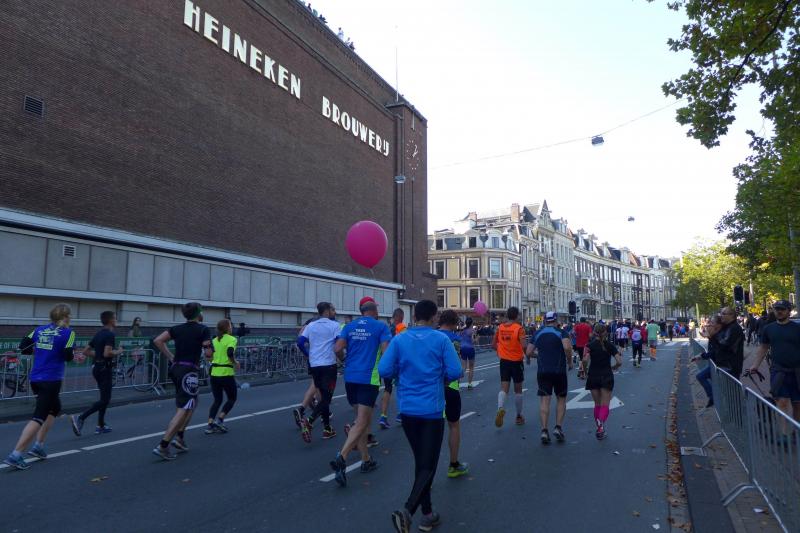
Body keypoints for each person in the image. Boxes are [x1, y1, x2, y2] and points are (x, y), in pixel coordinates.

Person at [379, 300, 461, 533]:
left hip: (407, 409)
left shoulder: (400, 339)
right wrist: (442, 377)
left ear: (415, 316)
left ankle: (427, 515)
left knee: (422, 462)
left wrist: (401, 374)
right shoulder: (441, 340)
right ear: (434, 317)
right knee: (429, 464)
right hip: (431, 409)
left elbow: (384, 370)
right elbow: (456, 371)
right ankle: (407, 511)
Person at [4, 304, 82, 470]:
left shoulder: (39, 330)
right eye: (69, 315)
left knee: (54, 408)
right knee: (39, 416)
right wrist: (73, 355)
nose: (70, 318)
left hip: (36, 377)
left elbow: (23, 346)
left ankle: (38, 446)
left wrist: (42, 351)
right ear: (65, 317)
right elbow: (68, 356)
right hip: (51, 379)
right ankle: (15, 455)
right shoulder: (69, 333)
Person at [329, 296, 391, 487]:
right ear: (374, 311)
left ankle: (366, 460)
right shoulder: (381, 327)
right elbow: (386, 352)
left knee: (361, 421)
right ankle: (342, 456)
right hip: (368, 378)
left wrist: (343, 359)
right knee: (363, 421)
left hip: (350, 377)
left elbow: (337, 348)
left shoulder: (349, 326)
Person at [151, 302, 212, 460]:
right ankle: (163, 445)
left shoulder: (176, 328)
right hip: (189, 371)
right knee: (184, 407)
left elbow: (158, 340)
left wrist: (171, 357)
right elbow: (208, 354)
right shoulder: (203, 329)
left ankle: (180, 437)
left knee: (192, 402)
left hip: (176, 368)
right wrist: (210, 350)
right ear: (199, 313)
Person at [71, 311, 123, 436]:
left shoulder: (98, 334)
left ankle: (101, 425)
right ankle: (81, 417)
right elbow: (107, 353)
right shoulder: (110, 335)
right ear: (111, 320)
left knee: (103, 398)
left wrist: (98, 355)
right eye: (115, 318)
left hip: (97, 368)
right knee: (105, 399)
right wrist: (119, 351)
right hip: (105, 369)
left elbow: (86, 351)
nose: (116, 320)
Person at [749, 300, 800, 422]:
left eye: (782, 309)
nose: (779, 311)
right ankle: (784, 433)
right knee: (781, 403)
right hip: (778, 371)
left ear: (789, 311)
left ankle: (796, 431)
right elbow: (763, 347)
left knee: (798, 405)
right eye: (777, 309)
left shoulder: (797, 328)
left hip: (798, 372)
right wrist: (755, 365)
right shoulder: (768, 329)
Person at [529, 311, 573, 444]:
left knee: (544, 400)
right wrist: (570, 361)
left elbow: (528, 352)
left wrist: (539, 355)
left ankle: (544, 430)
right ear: (556, 320)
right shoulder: (562, 332)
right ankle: (558, 427)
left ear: (545, 320)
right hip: (559, 370)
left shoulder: (538, 333)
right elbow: (567, 347)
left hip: (543, 371)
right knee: (561, 399)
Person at [299, 302, 340, 442]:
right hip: (329, 365)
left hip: (315, 365)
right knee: (327, 398)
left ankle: (327, 429)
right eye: (332, 310)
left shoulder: (311, 325)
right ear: (327, 311)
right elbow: (338, 344)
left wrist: (308, 354)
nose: (334, 312)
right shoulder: (334, 325)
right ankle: (309, 421)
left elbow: (300, 342)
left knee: (323, 397)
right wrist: (342, 357)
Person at [438, 310, 469, 478]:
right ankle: (453, 464)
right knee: (454, 425)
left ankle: (426, 470)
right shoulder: (455, 339)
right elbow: (457, 366)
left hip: (432, 387)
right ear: (455, 323)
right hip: (450, 385)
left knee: (432, 428)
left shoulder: (432, 336)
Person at [583, 323, 622, 440]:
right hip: (606, 375)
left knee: (597, 404)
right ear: (605, 332)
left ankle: (599, 427)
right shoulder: (610, 345)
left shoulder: (589, 346)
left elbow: (585, 360)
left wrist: (585, 371)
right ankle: (601, 427)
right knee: (605, 404)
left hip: (593, 375)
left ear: (594, 332)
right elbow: (619, 361)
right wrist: (614, 367)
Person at [493, 306, 528, 427]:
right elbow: (524, 346)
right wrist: (528, 355)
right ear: (517, 316)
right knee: (518, 390)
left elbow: (493, 344)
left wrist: (501, 351)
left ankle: (500, 408)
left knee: (504, 388)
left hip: (504, 361)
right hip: (516, 362)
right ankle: (519, 416)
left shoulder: (500, 328)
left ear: (507, 315)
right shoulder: (519, 329)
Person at [205, 319, 239, 434]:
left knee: (217, 400)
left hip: (214, 373)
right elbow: (230, 352)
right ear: (228, 328)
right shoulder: (232, 339)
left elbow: (208, 356)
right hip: (226, 373)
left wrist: (214, 359)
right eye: (231, 326)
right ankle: (220, 420)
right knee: (232, 398)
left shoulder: (214, 340)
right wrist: (235, 362)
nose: (231, 328)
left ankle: (210, 424)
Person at [379, 308, 407, 429]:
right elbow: (405, 345)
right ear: (401, 317)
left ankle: (383, 416)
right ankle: (400, 413)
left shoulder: (386, 329)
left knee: (387, 388)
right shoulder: (402, 328)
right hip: (398, 364)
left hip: (387, 363)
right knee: (401, 388)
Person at [293, 317, 321, 428]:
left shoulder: (308, 324)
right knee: (317, 384)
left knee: (317, 385)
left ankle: (320, 409)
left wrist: (307, 353)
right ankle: (303, 408)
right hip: (318, 359)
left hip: (312, 358)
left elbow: (299, 340)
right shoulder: (316, 323)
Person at [691, 315, 723, 407]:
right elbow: (711, 351)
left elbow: (714, 352)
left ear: (717, 326)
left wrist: (701, 356)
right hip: (715, 363)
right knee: (704, 377)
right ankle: (714, 397)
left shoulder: (718, 337)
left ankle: (713, 397)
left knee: (701, 376)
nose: (709, 326)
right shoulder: (714, 337)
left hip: (719, 364)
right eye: (709, 323)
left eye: (712, 323)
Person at [715, 307, 745, 378]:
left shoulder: (734, 328)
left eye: (723, 314)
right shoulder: (727, 327)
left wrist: (714, 335)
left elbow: (724, 345)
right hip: (726, 365)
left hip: (730, 366)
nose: (721, 315)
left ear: (731, 315)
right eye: (721, 313)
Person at [460, 317, 476, 389]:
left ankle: (456, 384)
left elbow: (460, 339)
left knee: (463, 367)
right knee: (471, 368)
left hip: (463, 348)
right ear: (472, 323)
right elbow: (472, 341)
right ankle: (469, 384)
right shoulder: (472, 331)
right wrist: (477, 339)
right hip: (470, 349)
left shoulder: (462, 331)